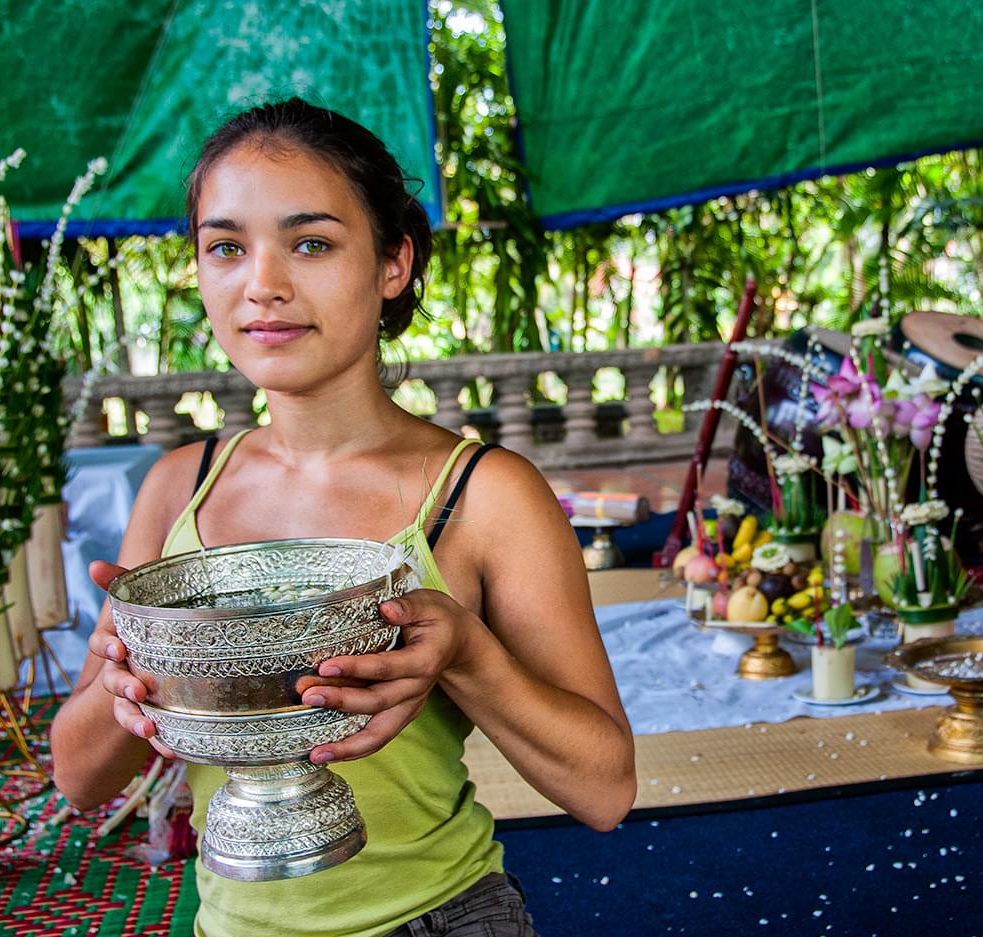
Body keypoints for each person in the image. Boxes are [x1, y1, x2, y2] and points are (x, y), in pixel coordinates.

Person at [50, 98, 637, 937]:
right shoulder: (181, 488)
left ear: (393, 263)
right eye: (226, 247)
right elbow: (77, 779)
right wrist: (129, 675)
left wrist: (465, 653)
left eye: (312, 243)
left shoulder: (482, 496)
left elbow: (606, 789)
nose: (263, 285)